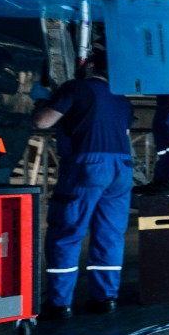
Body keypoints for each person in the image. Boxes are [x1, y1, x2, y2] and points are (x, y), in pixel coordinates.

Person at [32, 51, 135, 321]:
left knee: (67, 231)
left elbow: (42, 121)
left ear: (89, 65)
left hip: (88, 163)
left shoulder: (75, 87)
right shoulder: (123, 99)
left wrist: (41, 101)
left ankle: (59, 304)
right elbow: (124, 133)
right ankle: (105, 299)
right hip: (121, 167)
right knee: (110, 234)